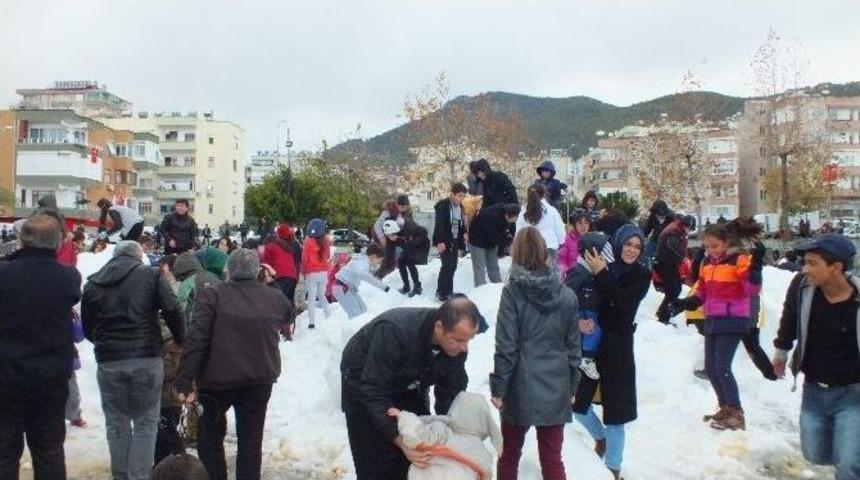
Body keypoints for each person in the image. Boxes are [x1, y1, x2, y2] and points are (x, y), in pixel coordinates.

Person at [175, 249, 293, 480]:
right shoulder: (272, 296)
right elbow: (288, 314)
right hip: (259, 378)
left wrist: (185, 378)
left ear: (229, 270)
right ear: (258, 271)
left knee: (210, 438)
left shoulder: (213, 295)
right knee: (251, 439)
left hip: (216, 380)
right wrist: (272, 283)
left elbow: (197, 337)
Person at [340, 298, 481, 480]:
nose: (464, 347)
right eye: (458, 340)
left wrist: (449, 434)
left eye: (469, 340)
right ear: (439, 327)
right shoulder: (395, 331)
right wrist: (398, 438)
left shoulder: (456, 348)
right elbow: (374, 389)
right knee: (374, 460)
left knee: (418, 447)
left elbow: (451, 394)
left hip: (409, 383)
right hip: (363, 382)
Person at [82, 241, 185, 480]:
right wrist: (181, 338)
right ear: (139, 257)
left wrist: (105, 344)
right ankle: (139, 476)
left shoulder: (94, 283)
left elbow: (88, 328)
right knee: (146, 422)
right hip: (146, 358)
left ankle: (121, 476)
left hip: (109, 361)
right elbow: (172, 309)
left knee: (116, 423)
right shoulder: (150, 275)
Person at [490, 226, 580, 480]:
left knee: (509, 455)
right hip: (557, 382)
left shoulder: (512, 293)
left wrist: (499, 388)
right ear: (545, 252)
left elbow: (506, 346)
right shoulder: (567, 296)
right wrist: (573, 386)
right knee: (552, 459)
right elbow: (573, 347)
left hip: (520, 384)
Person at [0, 215, 82, 480]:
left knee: (4, 451)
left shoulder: (4, 274)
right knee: (49, 451)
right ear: (57, 242)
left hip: (6, 375)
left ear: (22, 240)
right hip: (50, 378)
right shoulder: (68, 277)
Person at [772, 234, 860, 479]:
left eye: (812, 263)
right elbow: (789, 319)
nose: (804, 268)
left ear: (836, 268)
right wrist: (781, 351)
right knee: (816, 453)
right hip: (814, 390)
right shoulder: (802, 286)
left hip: (853, 393)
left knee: (849, 463)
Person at [671, 218, 766, 431]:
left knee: (722, 367)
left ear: (725, 243)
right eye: (707, 246)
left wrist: (756, 265)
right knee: (712, 368)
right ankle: (725, 407)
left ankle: (736, 413)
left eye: (715, 246)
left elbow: (752, 290)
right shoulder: (708, 265)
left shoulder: (738, 260)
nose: (711, 250)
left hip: (733, 320)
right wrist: (683, 303)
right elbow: (702, 292)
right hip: (713, 319)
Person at [572, 223, 650, 480]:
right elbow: (580, 300)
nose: (632, 250)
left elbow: (622, 305)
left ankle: (613, 469)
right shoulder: (599, 266)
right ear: (618, 243)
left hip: (618, 350)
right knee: (577, 405)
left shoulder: (641, 275)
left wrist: (603, 273)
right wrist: (578, 321)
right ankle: (600, 438)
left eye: (637, 246)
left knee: (616, 413)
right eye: (628, 244)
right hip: (591, 348)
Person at [388, 391, 502, 480]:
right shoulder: (483, 452)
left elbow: (417, 436)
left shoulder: (442, 430)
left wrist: (404, 416)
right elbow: (485, 475)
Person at [565, 232, 609, 381]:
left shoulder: (593, 270)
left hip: (592, 308)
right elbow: (567, 295)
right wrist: (576, 318)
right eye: (602, 253)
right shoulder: (579, 271)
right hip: (584, 312)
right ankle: (586, 358)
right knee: (594, 331)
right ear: (589, 255)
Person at [654, 214, 695, 325]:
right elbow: (673, 246)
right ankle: (663, 315)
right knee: (673, 290)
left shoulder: (677, 228)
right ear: (687, 225)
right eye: (690, 229)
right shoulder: (675, 230)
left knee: (676, 288)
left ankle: (664, 313)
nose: (689, 231)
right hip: (664, 263)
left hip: (670, 264)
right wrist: (684, 257)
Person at [468, 203, 520, 287]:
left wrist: (510, 240)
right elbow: (494, 236)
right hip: (477, 241)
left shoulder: (507, 214)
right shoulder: (491, 216)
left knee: (493, 266)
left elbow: (505, 232)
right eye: (514, 219)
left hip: (491, 241)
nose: (515, 221)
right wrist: (508, 244)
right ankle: (480, 289)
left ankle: (498, 288)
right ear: (507, 215)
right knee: (480, 267)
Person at [334, 243, 391, 318]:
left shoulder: (364, 260)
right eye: (379, 261)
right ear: (373, 257)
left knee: (363, 310)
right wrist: (384, 287)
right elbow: (363, 274)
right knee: (356, 315)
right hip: (342, 288)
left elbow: (368, 272)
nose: (379, 264)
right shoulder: (361, 262)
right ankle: (354, 329)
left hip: (349, 288)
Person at [433, 183, 467, 302]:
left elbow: (461, 224)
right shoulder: (444, 206)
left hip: (455, 240)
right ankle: (441, 292)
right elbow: (439, 225)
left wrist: (464, 234)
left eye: (463, 196)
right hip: (445, 240)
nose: (460, 199)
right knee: (446, 265)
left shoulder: (460, 208)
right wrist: (440, 241)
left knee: (453, 266)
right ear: (452, 194)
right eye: (459, 195)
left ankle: (449, 291)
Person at [515, 183, 566, 260]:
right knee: (551, 271)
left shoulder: (523, 212)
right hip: (549, 246)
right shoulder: (551, 211)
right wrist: (561, 242)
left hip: (529, 249)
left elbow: (519, 231)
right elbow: (560, 230)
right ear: (544, 195)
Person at [384, 218, 430, 298]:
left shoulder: (408, 231)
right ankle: (406, 286)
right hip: (408, 246)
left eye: (392, 235)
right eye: (388, 236)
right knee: (401, 262)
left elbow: (423, 231)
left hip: (420, 245)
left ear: (396, 232)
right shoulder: (390, 240)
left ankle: (417, 286)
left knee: (409, 261)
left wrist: (412, 240)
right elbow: (389, 253)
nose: (391, 238)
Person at [302, 218, 332, 329]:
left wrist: (303, 271)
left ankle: (312, 323)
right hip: (324, 272)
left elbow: (305, 259)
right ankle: (329, 316)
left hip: (311, 272)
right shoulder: (326, 241)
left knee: (311, 298)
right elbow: (328, 256)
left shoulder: (307, 242)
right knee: (321, 295)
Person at [261, 224, 299, 304]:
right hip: (292, 277)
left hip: (280, 277)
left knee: (277, 304)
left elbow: (265, 264)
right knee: (288, 303)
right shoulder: (287, 246)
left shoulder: (270, 246)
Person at [558, 209, 592, 277]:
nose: (583, 226)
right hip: (572, 277)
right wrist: (567, 273)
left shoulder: (593, 239)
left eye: (586, 223)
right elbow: (561, 260)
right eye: (579, 223)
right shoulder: (567, 239)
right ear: (574, 224)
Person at [642, 199, 675, 264]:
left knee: (663, 261)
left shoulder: (672, 218)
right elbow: (646, 230)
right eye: (656, 214)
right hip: (654, 241)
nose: (657, 216)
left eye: (659, 215)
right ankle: (647, 268)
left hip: (666, 244)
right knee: (646, 252)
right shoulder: (652, 216)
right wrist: (641, 238)